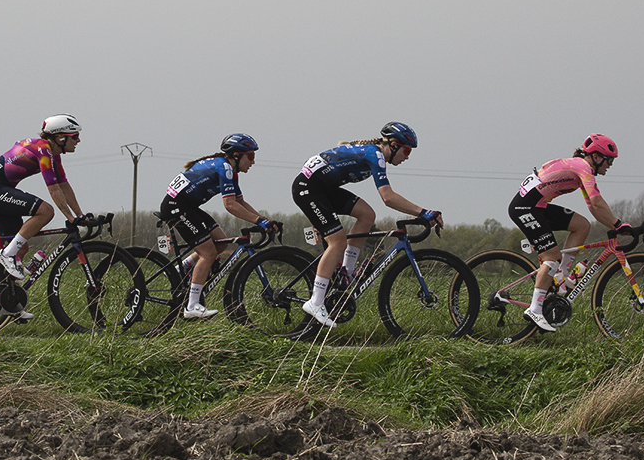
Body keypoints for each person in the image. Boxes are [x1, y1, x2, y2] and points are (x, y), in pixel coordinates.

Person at [291, 122, 443, 328]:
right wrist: (423, 212)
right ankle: (315, 302)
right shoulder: (376, 155)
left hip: (324, 188)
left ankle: (347, 271)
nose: (407, 156)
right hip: (309, 188)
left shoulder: (375, 154)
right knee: (337, 241)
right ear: (395, 145)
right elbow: (388, 198)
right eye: (407, 150)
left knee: (367, 215)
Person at [507, 133, 631, 332]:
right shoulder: (583, 168)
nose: (609, 166)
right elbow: (598, 202)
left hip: (537, 206)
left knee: (582, 225)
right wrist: (618, 223)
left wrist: (615, 227)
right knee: (552, 256)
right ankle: (535, 309)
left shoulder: (581, 168)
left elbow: (592, 207)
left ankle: (561, 277)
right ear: (597, 157)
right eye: (609, 161)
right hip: (526, 208)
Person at [161, 133, 282, 319]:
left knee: (220, 241)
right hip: (177, 206)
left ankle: (184, 268)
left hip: (187, 206)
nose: (253, 162)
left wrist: (264, 219)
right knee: (208, 253)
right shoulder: (224, 167)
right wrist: (258, 222)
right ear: (236, 155)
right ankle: (192, 306)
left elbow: (240, 201)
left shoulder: (229, 169)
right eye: (250, 156)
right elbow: (230, 206)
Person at [0, 116, 89, 297]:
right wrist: (70, 218)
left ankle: (9, 302)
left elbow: (64, 185)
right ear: (61, 138)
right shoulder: (43, 151)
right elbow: (53, 190)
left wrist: (80, 215)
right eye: (75, 136)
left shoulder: (54, 154)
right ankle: (6, 256)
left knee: (20, 248)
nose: (78, 140)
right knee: (46, 211)